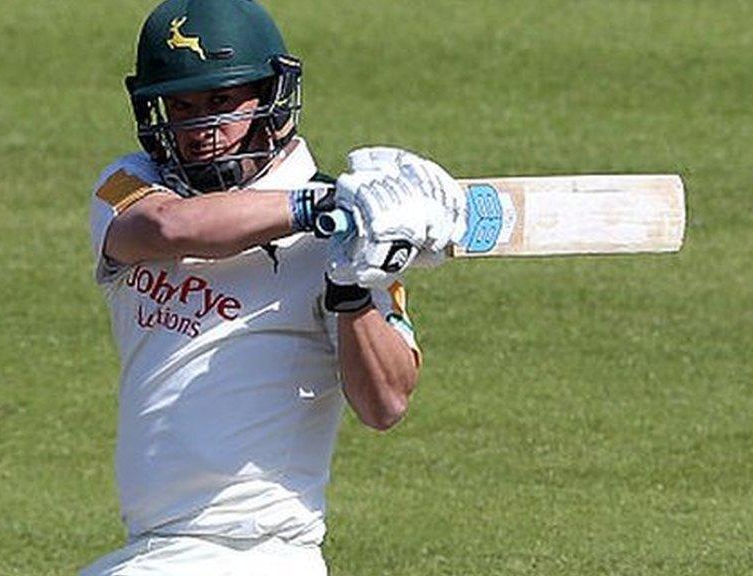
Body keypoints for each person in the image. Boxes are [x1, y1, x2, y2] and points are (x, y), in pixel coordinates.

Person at [82, 0, 467, 574]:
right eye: (182, 106)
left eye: (221, 102)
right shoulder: (128, 185)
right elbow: (170, 228)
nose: (200, 129)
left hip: (261, 550)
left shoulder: (349, 240)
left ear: (271, 97)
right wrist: (321, 207)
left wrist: (351, 289)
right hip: (156, 545)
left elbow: (386, 403)